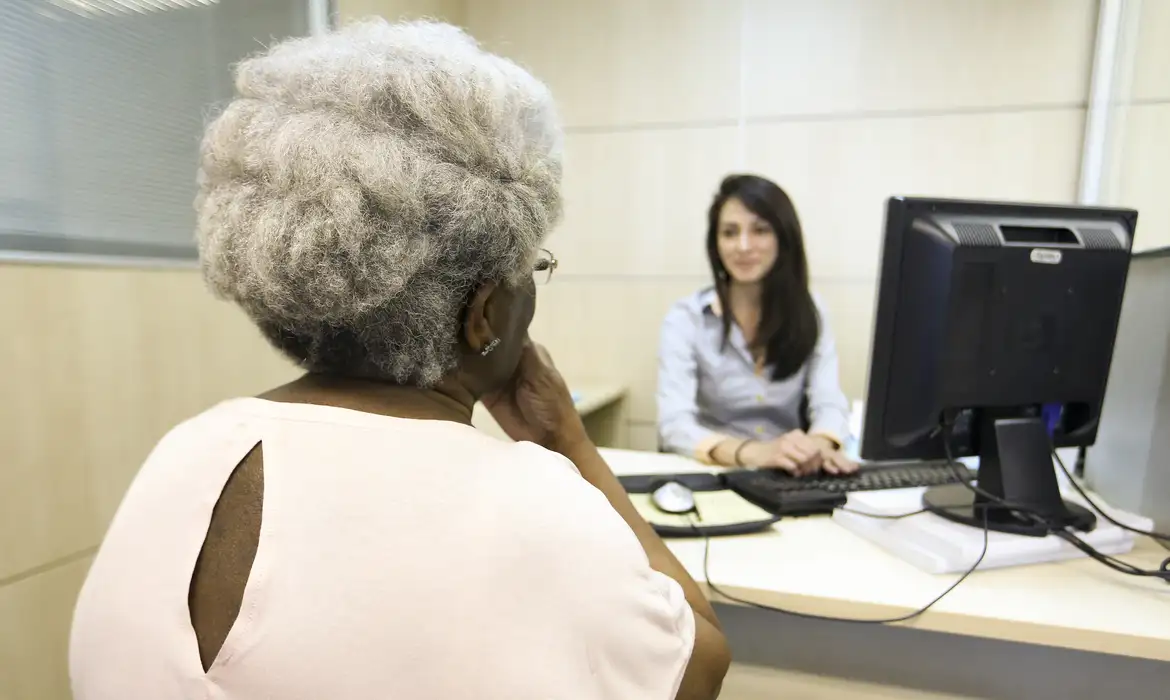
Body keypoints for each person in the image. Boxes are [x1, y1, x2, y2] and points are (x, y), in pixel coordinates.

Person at [70, 20, 729, 700]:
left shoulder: (183, 455)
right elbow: (701, 664)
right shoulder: (539, 505)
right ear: (485, 313)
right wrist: (569, 444)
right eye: (532, 268)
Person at [657, 174, 857, 475]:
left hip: (791, 473)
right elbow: (674, 424)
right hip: (717, 472)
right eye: (729, 232)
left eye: (760, 230)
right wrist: (753, 453)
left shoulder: (811, 311)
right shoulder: (686, 318)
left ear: (783, 237)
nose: (744, 245)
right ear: (716, 243)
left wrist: (818, 445)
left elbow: (829, 402)